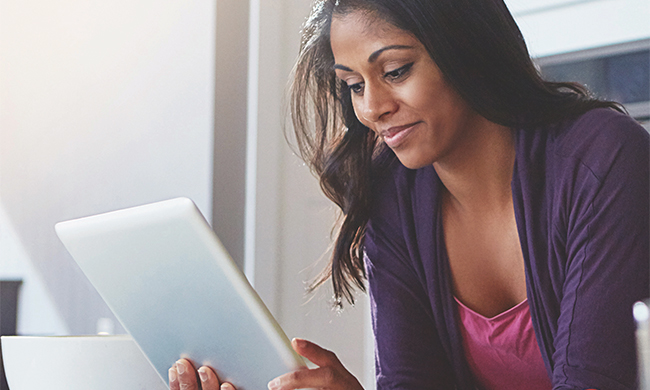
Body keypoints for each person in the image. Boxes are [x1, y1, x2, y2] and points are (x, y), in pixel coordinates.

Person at [169, 0, 649, 389]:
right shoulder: (393, 194)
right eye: (354, 85)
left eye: (395, 70)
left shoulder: (602, 159)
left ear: (466, 50)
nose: (372, 108)